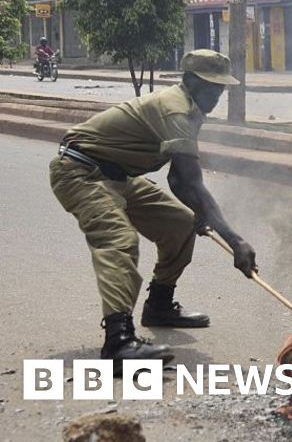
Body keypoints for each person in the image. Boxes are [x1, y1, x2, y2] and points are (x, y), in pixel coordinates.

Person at [49, 49, 258, 369]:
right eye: (210, 86)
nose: (216, 95)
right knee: (118, 238)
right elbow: (188, 182)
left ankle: (159, 304)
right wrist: (235, 241)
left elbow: (178, 179)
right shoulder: (175, 110)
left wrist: (202, 215)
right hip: (82, 172)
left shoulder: (190, 109)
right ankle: (118, 342)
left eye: (221, 88)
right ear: (189, 81)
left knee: (181, 223)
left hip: (118, 176)